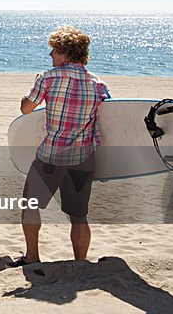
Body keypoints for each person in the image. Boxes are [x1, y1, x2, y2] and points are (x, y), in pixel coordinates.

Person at [12, 25, 110, 266]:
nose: (50, 56)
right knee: (78, 215)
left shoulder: (48, 77)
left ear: (65, 52)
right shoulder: (99, 85)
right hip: (83, 158)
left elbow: (26, 109)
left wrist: (34, 86)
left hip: (50, 157)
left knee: (30, 205)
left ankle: (32, 257)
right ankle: (80, 262)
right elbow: (108, 121)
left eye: (54, 51)